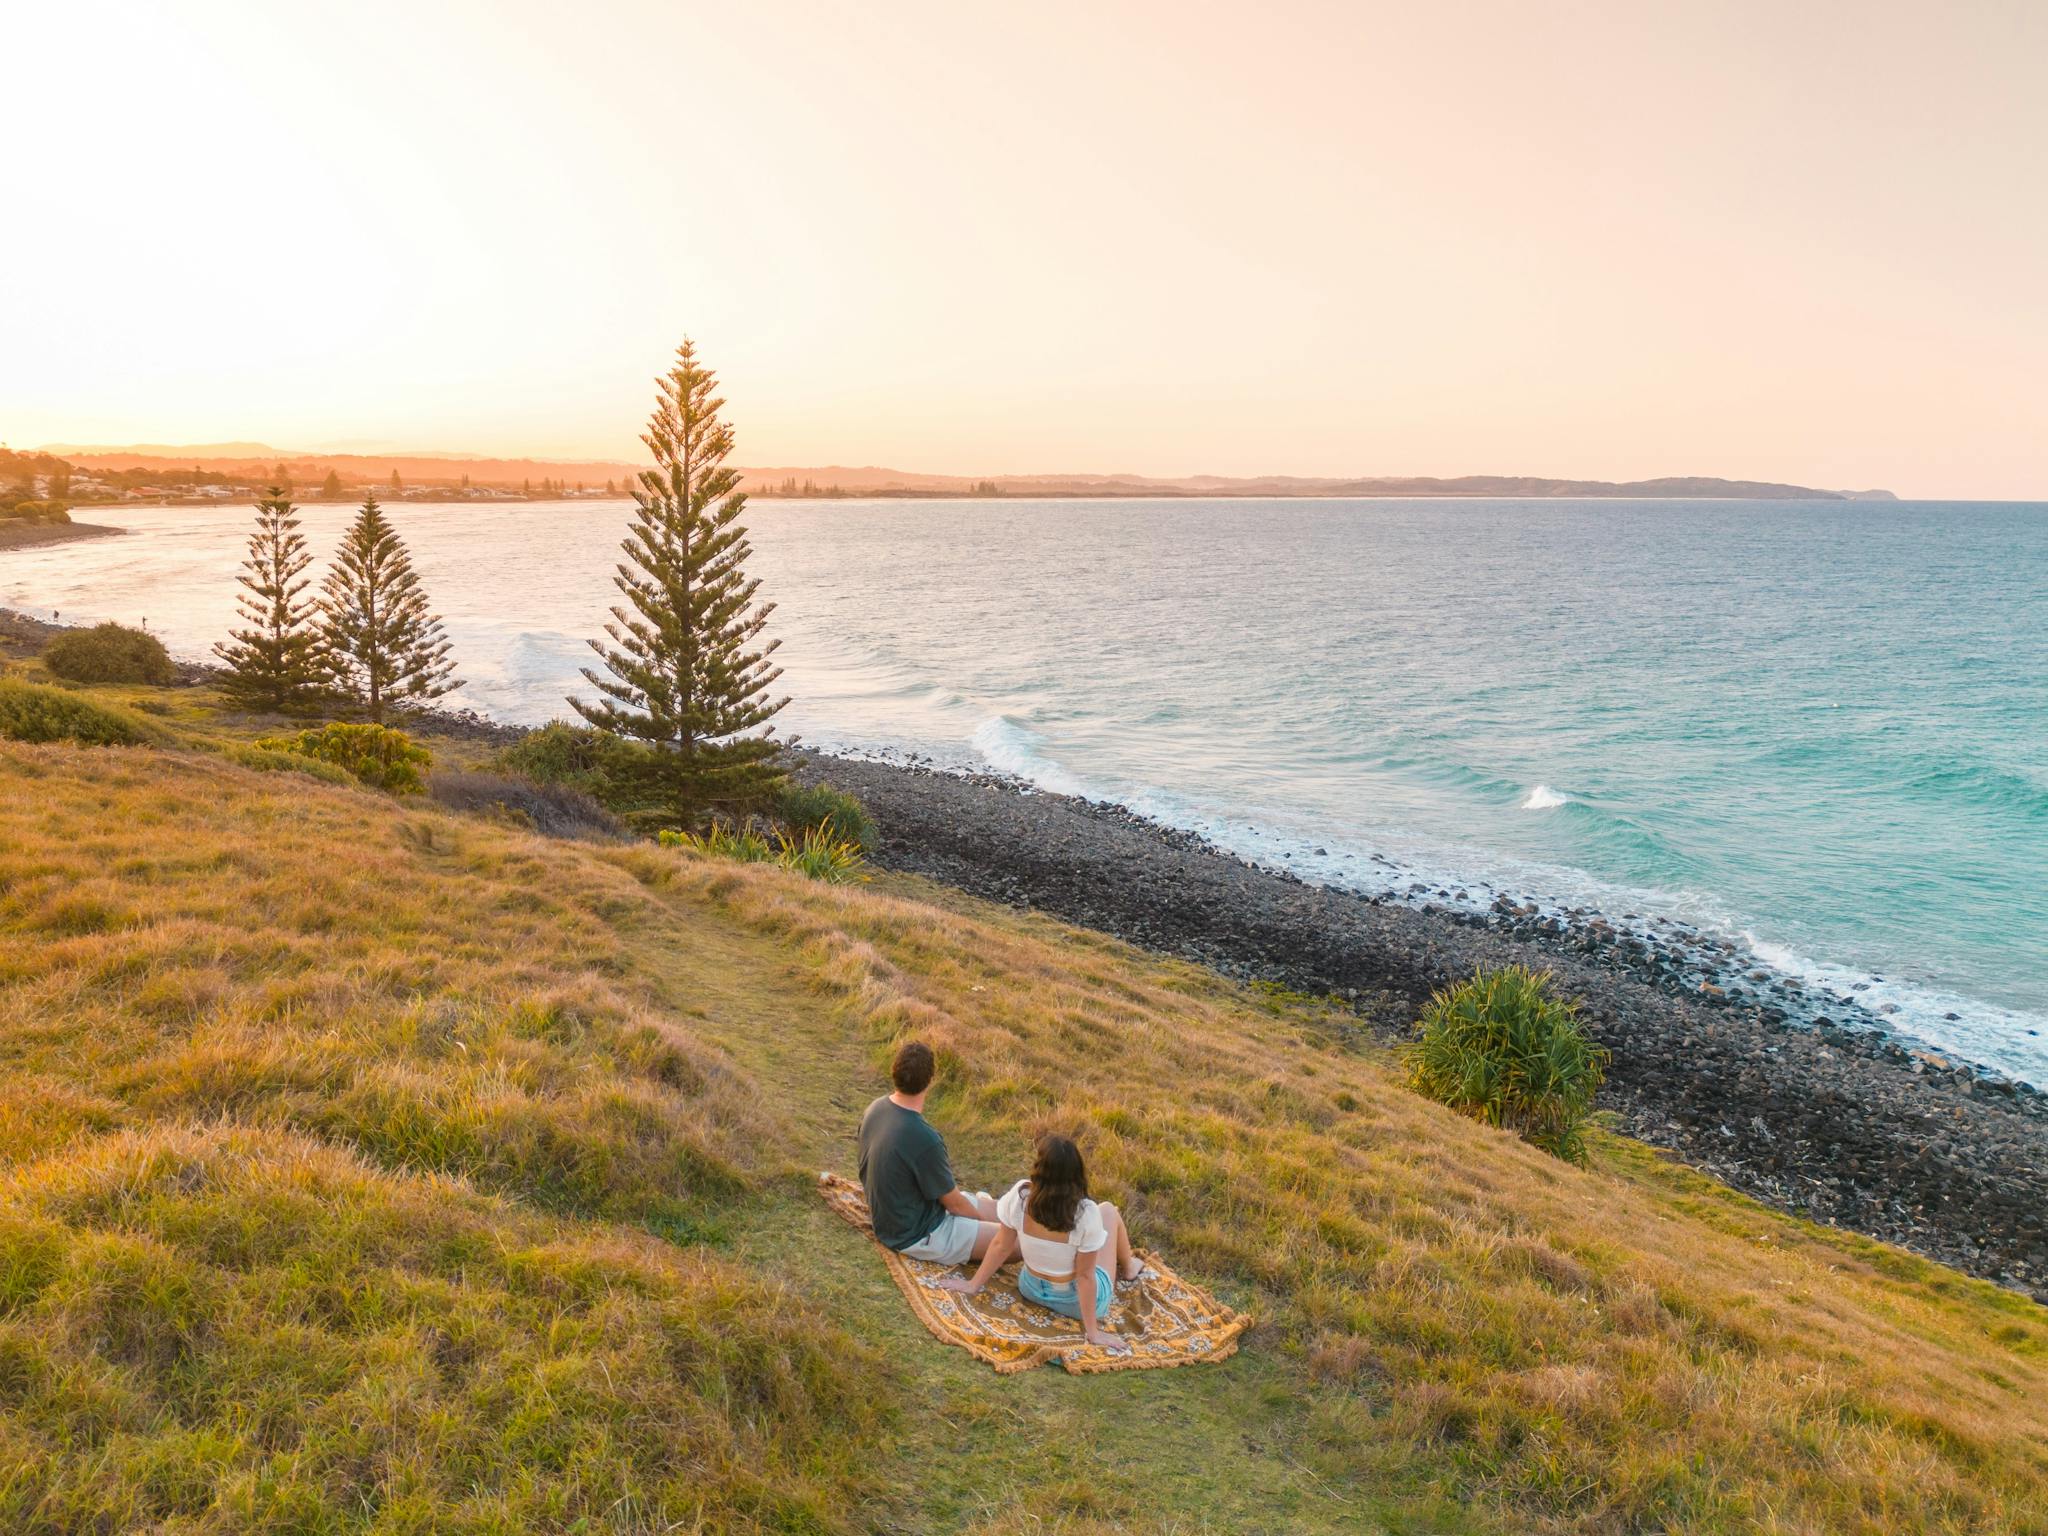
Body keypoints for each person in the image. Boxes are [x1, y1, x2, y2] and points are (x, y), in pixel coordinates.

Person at [936, 1132, 1149, 1355]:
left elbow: (1001, 1245)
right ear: (1077, 1173)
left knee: (1097, 1225)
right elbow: (1085, 1277)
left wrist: (973, 1284)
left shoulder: (1021, 1197)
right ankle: (1129, 1266)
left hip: (1031, 1289)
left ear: (1039, 1167)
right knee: (1109, 1211)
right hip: (1073, 1302)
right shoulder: (1086, 1212)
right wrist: (1093, 1333)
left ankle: (1128, 1264)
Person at [857, 1040, 1000, 1266]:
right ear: (930, 1081)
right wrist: (981, 1223)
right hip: (915, 1233)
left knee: (1005, 1210)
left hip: (896, 1213)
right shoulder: (925, 1138)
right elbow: (954, 1205)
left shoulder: (875, 1107)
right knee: (1014, 1242)